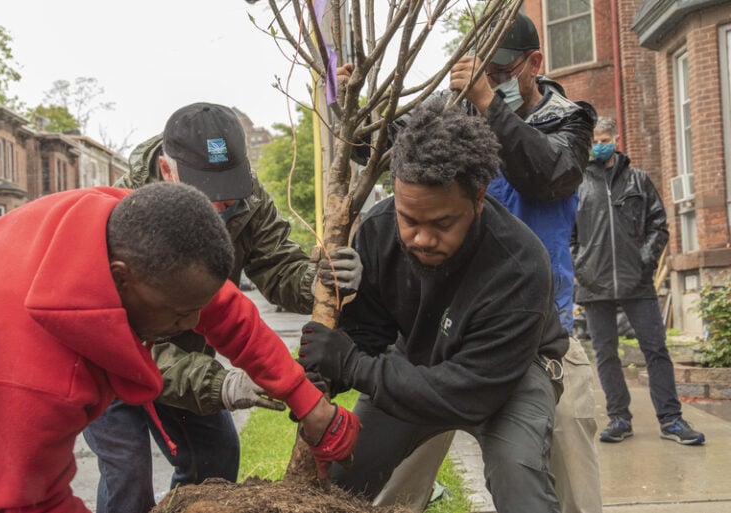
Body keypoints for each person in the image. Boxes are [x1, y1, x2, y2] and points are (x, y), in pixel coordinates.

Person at [338, 12, 602, 513]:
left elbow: (550, 175)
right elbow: (390, 151)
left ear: (534, 63)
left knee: (559, 483)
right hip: (432, 331)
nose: (491, 81)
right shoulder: (450, 115)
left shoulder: (569, 118)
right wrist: (352, 104)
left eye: (501, 72)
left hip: (533, 329)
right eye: (481, 70)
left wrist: (487, 102)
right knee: (386, 484)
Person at [0, 182, 359, 513]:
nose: (192, 325)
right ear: (121, 279)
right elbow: (35, 502)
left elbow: (226, 312)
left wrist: (308, 402)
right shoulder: (39, 378)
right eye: (181, 313)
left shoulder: (126, 226)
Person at [83, 102, 362, 513]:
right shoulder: (122, 218)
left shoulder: (246, 198)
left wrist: (322, 283)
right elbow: (130, 341)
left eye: (228, 195)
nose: (221, 207)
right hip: (111, 355)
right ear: (166, 170)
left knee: (216, 456)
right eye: (207, 196)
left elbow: (272, 270)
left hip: (189, 348)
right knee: (128, 472)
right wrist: (222, 385)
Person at [298, 96, 568, 513]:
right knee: (344, 473)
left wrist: (355, 366)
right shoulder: (379, 230)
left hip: (510, 372)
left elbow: (469, 393)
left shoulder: (519, 263)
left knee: (520, 481)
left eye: (442, 223)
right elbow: (368, 334)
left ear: (478, 198)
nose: (421, 238)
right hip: (418, 355)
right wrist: (328, 367)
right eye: (410, 220)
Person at [571, 116, 706, 445]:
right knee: (605, 353)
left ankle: (671, 419)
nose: (600, 145)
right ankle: (619, 418)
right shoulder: (576, 185)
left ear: (616, 139)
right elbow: (567, 235)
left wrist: (645, 261)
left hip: (637, 280)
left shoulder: (638, 180)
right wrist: (581, 265)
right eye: (595, 140)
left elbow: (659, 225)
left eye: (605, 138)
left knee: (656, 349)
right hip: (594, 281)